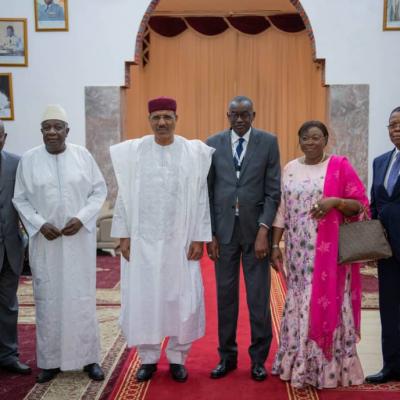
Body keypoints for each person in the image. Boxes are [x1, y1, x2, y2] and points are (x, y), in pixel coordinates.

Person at [110, 97, 214, 383]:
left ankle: (178, 358)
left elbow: (201, 196)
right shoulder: (135, 152)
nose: (162, 123)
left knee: (182, 297)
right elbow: (124, 194)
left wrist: (199, 237)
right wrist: (123, 234)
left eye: (167, 117)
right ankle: (148, 358)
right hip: (143, 242)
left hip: (179, 242)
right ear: (149, 120)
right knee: (146, 297)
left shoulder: (192, 152)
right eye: (156, 118)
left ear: (176, 118)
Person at [270, 120, 369, 389]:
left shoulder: (339, 166)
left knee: (329, 303)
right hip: (298, 254)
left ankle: (329, 367)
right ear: (299, 140)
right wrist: (275, 245)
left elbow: (359, 205)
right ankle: (298, 362)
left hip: (330, 254)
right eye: (305, 138)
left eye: (316, 137)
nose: (310, 142)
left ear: (326, 139)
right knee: (301, 303)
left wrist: (335, 202)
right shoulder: (290, 168)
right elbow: (282, 210)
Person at [12, 105, 107, 383]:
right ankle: (50, 362)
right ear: (41, 131)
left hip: (78, 241)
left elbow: (98, 190)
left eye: (57, 127)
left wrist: (82, 218)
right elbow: (20, 199)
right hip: (46, 244)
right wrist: (40, 224)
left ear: (68, 130)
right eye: (47, 127)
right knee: (48, 301)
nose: (52, 132)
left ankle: (89, 359)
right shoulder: (29, 160)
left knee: (82, 300)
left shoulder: (83, 156)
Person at [206, 96, 281, 381]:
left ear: (253, 114)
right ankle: (227, 358)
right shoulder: (212, 143)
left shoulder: (268, 142)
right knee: (225, 298)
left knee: (258, 298)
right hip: (224, 233)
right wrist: (210, 233)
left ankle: (259, 360)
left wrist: (265, 230)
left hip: (255, 234)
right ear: (227, 115)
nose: (240, 120)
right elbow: (208, 192)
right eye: (234, 115)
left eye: (245, 115)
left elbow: (274, 191)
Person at [366, 107, 400, 384]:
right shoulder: (380, 162)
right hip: (387, 249)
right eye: (391, 125)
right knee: (389, 310)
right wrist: (372, 242)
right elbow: (375, 204)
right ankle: (391, 365)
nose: (396, 129)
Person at [0, 120, 31, 375]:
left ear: (4, 137)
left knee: (9, 305)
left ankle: (8, 355)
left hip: (11, 249)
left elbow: (26, 203)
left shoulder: (17, 163)